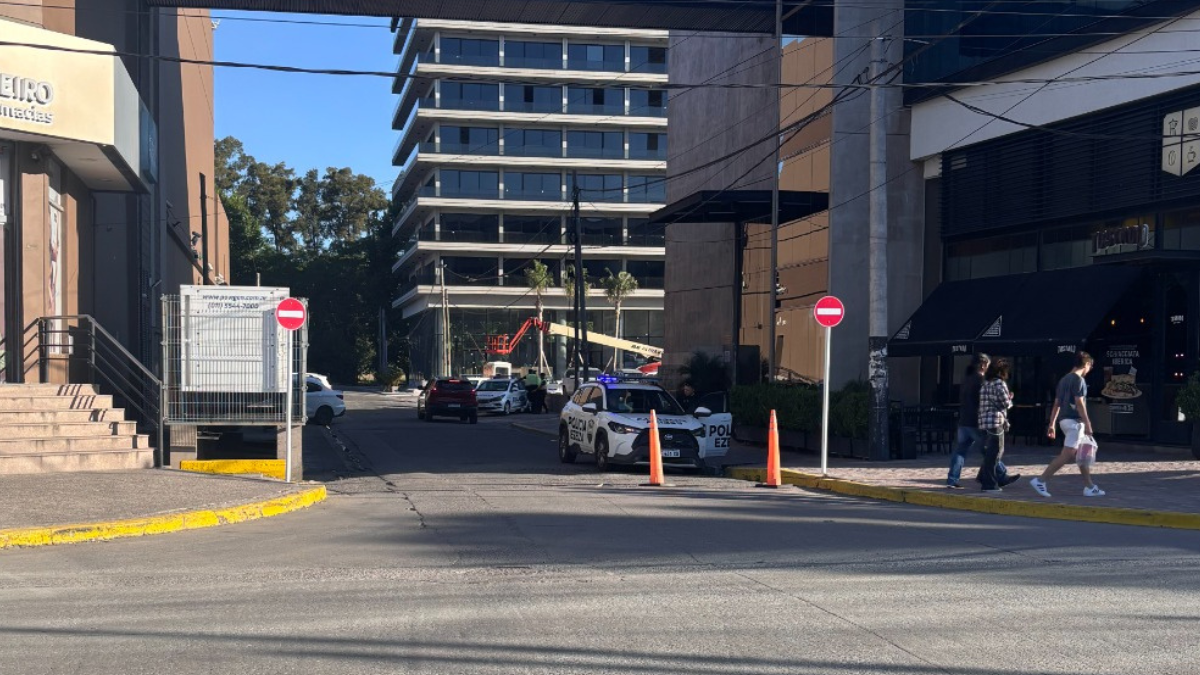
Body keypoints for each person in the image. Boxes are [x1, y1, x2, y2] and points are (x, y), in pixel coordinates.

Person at [1033, 352, 1105, 497]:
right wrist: (1088, 423)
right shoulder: (1079, 380)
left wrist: (1052, 423)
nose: (1089, 369)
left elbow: (1057, 403)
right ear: (1086, 364)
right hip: (1075, 423)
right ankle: (1041, 480)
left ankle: (1089, 486)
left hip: (1064, 421)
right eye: (1090, 366)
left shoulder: (1063, 380)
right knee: (1067, 455)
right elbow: (1079, 403)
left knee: (1083, 454)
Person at [947, 354, 1017, 489]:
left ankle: (952, 479)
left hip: (963, 420)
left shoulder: (966, 378)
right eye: (988, 365)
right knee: (990, 450)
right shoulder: (982, 380)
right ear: (983, 365)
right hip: (976, 422)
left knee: (960, 451)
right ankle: (1001, 475)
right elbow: (987, 400)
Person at [977, 358, 1014, 493]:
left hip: (984, 421)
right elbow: (1005, 403)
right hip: (995, 421)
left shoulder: (985, 384)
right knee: (996, 453)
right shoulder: (999, 383)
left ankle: (983, 477)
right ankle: (989, 484)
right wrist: (1010, 398)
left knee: (990, 453)